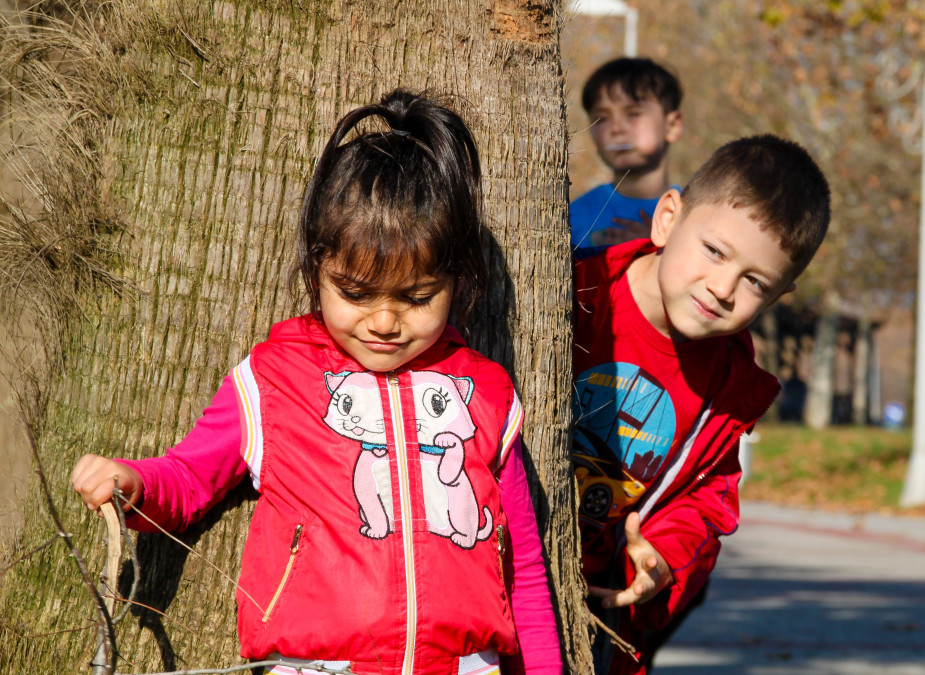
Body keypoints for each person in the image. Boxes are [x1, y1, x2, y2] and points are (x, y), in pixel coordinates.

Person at [69, 91, 561, 675]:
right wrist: (133, 484)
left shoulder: (485, 393)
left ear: (457, 281)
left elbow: (524, 570)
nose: (383, 321)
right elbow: (189, 477)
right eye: (354, 293)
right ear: (316, 269)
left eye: (417, 298)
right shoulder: (273, 380)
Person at [570, 135, 830, 673]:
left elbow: (707, 502)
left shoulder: (729, 391)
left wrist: (661, 559)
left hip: (597, 615)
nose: (722, 288)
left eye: (755, 281)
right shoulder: (575, 292)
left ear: (780, 295)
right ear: (667, 219)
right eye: (714, 251)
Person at [570, 57, 684, 249]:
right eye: (602, 118)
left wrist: (657, 249)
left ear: (672, 126)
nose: (616, 129)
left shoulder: (693, 216)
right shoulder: (573, 218)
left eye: (633, 114)